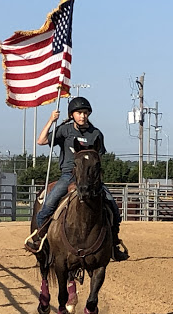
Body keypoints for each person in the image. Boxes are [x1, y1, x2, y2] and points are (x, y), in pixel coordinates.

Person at [25, 97, 129, 261]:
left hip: (92, 179)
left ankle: (114, 244)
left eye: (85, 113)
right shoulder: (64, 131)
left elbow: (99, 158)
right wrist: (51, 121)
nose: (83, 116)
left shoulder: (96, 134)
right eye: (79, 113)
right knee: (47, 206)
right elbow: (41, 140)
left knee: (114, 209)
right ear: (72, 114)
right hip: (68, 175)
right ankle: (39, 240)